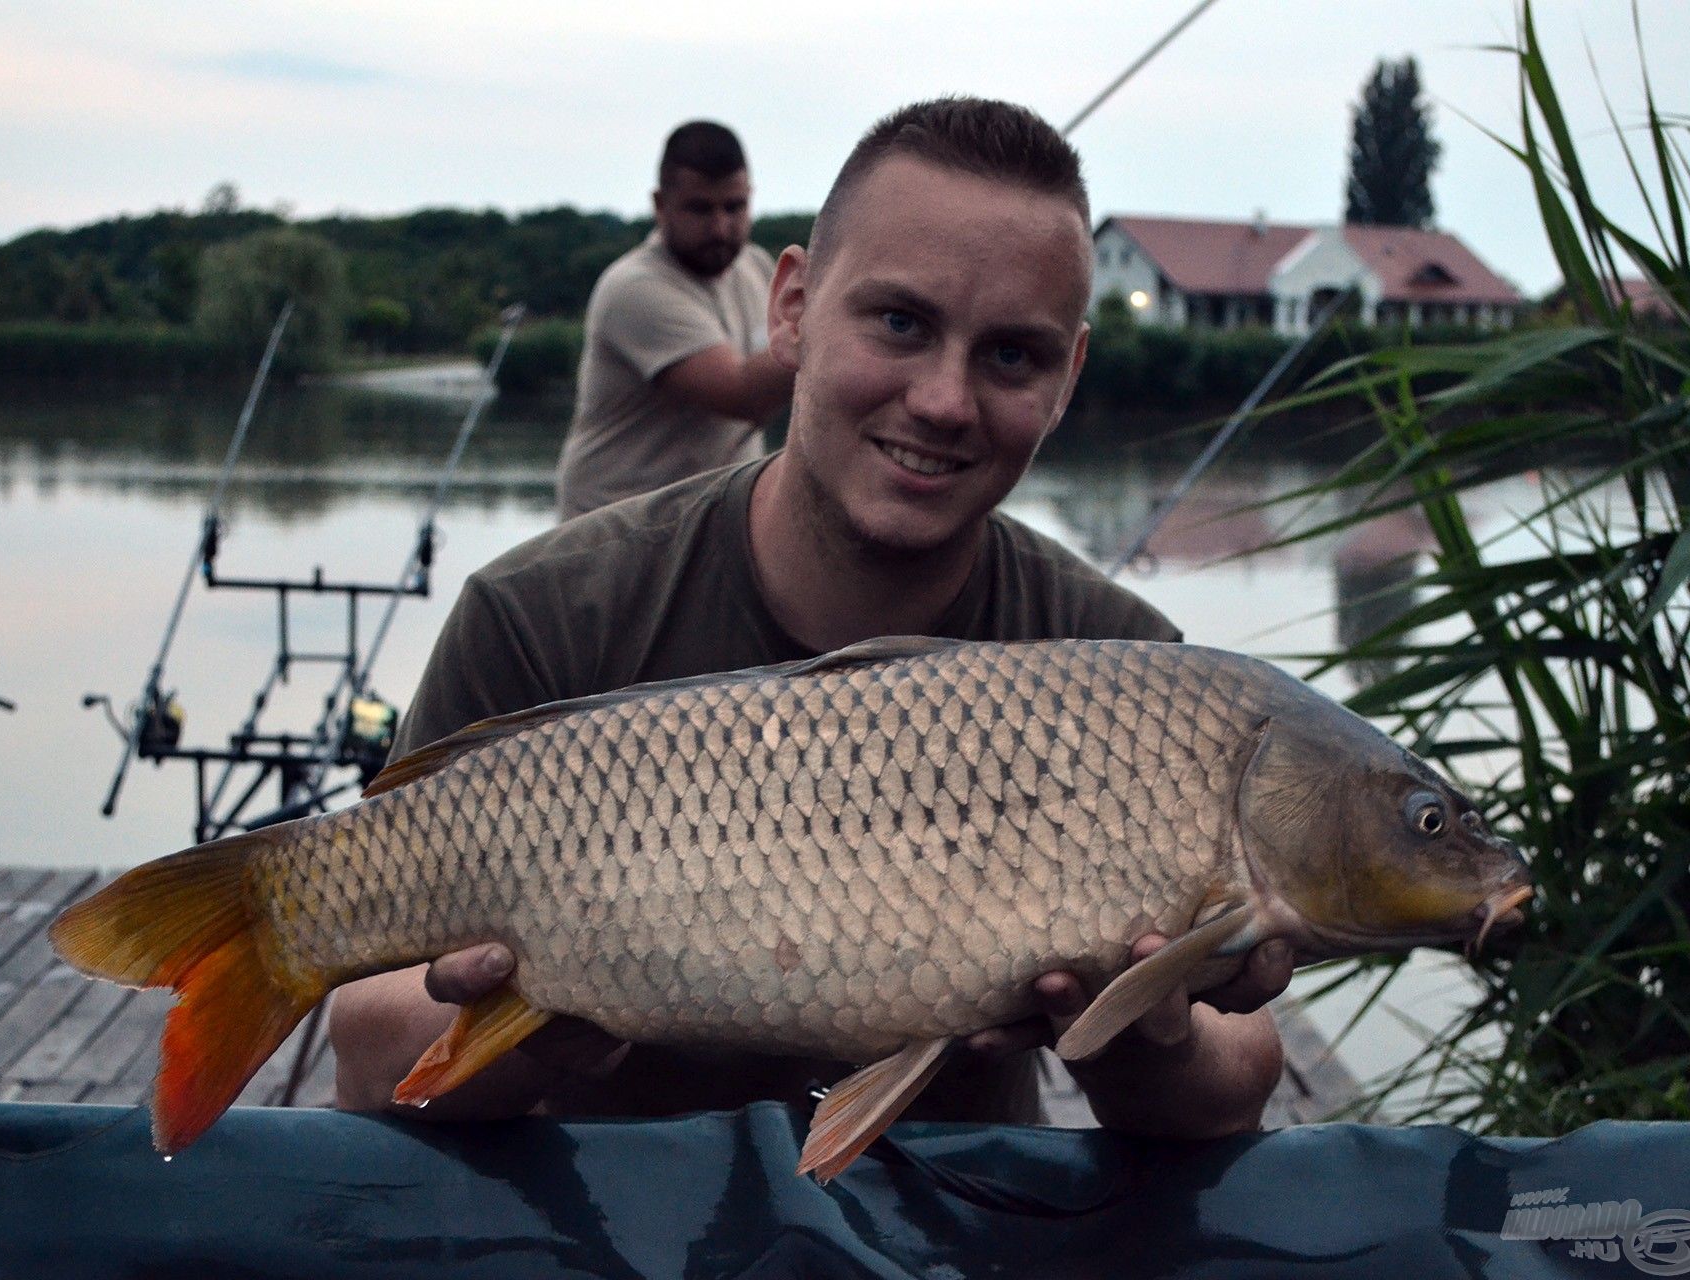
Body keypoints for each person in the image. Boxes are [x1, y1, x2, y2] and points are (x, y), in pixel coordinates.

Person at [332, 97, 1291, 1137]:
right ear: (792, 307)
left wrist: (1151, 1034)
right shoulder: (542, 618)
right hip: (598, 1226)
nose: (943, 399)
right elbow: (363, 1049)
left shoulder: (1127, 671)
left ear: (1068, 379)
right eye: (900, 322)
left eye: (1012, 354)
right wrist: (530, 1029)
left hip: (951, 1234)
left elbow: (1239, 1079)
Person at [553, 120, 794, 521]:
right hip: (614, 530)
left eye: (734, 207)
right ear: (661, 205)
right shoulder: (635, 289)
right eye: (700, 208)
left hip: (707, 522)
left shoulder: (756, 267)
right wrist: (829, 318)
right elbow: (742, 395)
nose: (720, 227)